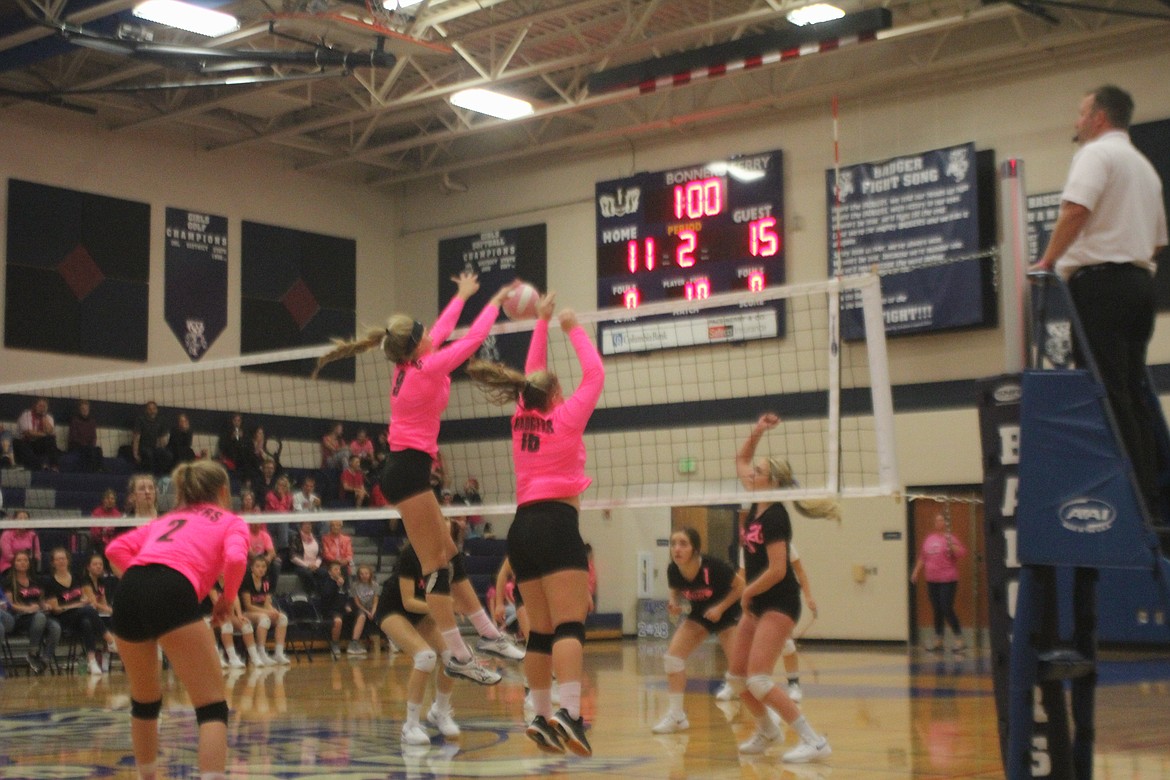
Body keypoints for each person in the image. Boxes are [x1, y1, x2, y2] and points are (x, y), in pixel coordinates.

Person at [311, 270, 514, 687]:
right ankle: (459, 653)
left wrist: (461, 296)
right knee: (437, 565)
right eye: (424, 334)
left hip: (410, 469)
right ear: (416, 343)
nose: (431, 335)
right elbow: (471, 342)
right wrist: (493, 305)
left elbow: (439, 331)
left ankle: (488, 634)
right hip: (406, 472)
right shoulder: (425, 368)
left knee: (447, 555)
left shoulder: (409, 363)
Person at [467, 293, 605, 756]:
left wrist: (541, 323)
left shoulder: (520, 419)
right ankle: (569, 711)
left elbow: (533, 373)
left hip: (521, 529)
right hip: (556, 523)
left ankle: (541, 717)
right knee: (570, 624)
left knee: (540, 632)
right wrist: (571, 325)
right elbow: (596, 374)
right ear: (557, 396)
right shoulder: (566, 418)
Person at [1032, 85, 1168, 513]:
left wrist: (1048, 261)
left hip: (1101, 286)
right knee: (1129, 386)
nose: (1076, 122)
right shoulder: (1144, 166)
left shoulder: (1094, 155)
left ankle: (1124, 494)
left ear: (1099, 118)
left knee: (1103, 387)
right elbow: (1158, 242)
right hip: (1140, 286)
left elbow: (1076, 210)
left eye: (1080, 113)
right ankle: (1146, 491)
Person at [104, 459, 250, 780]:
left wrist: (143, 584)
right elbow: (237, 558)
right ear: (223, 491)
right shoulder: (231, 521)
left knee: (145, 702)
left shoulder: (165, 520)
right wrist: (226, 599)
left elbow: (115, 549)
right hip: (172, 588)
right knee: (211, 707)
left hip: (129, 590)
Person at [725, 413, 836, 763]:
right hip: (758, 602)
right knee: (737, 678)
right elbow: (740, 459)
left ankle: (814, 740)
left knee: (758, 679)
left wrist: (746, 592)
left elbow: (777, 569)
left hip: (779, 601)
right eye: (754, 471)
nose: (750, 473)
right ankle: (768, 730)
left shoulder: (775, 517)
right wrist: (756, 431)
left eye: (758, 472)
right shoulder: (756, 502)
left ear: (770, 482)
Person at [652, 527, 745, 734]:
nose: (677, 548)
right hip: (701, 614)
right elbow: (675, 589)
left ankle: (767, 715)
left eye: (683, 544)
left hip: (728, 614)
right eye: (673, 544)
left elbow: (740, 586)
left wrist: (720, 608)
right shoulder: (673, 569)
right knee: (673, 659)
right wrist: (673, 602)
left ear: (695, 549)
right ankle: (677, 716)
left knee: (741, 672)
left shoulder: (715, 567)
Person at [375, 540, 463, 746]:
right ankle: (410, 726)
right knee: (425, 657)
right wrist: (443, 607)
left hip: (421, 611)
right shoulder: (411, 555)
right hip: (393, 609)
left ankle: (440, 711)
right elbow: (408, 601)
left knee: (453, 655)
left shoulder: (446, 560)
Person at [44, 547, 114, 676]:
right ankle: (110, 640)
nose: (61, 561)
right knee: (87, 610)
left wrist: (82, 602)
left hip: (81, 615)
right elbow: (57, 609)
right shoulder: (50, 582)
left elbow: (86, 598)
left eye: (63, 558)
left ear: (68, 560)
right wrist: (77, 604)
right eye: (58, 559)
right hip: (63, 619)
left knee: (86, 622)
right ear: (53, 562)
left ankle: (92, 661)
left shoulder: (76, 577)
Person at [910, 513, 968, 653]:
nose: (938, 522)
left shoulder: (950, 538)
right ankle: (938, 640)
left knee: (946, 607)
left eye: (941, 520)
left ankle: (959, 638)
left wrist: (952, 546)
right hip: (932, 580)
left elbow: (962, 553)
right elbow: (923, 557)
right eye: (936, 520)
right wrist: (916, 572)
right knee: (937, 609)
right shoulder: (929, 539)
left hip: (948, 579)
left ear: (946, 523)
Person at [6, 550, 62, 674]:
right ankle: (32, 653)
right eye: (19, 560)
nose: (23, 563)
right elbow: (10, 605)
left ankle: (45, 660)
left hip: (38, 615)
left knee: (55, 627)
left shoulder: (36, 580)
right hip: (20, 617)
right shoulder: (9, 582)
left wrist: (44, 605)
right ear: (14, 563)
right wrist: (28, 609)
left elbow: (40, 600)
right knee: (40, 617)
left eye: (25, 560)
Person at [238, 557, 290, 666]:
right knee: (265, 619)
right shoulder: (246, 580)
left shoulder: (266, 581)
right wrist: (267, 612)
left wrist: (273, 611)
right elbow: (248, 606)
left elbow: (266, 603)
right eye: (258, 566)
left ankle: (278, 653)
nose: (261, 569)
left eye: (263, 567)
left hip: (261, 611)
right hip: (247, 613)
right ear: (252, 568)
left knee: (282, 618)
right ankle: (261, 652)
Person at [15, 397, 60, 471]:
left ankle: (54, 467)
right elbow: (29, 433)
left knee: (51, 440)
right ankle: (38, 466)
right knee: (22, 444)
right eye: (40, 406)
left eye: (44, 406)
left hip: (38, 443)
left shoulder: (48, 417)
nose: (42, 408)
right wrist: (45, 434)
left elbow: (49, 431)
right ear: (34, 406)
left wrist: (43, 417)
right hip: (25, 442)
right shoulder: (26, 415)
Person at [132, 401, 172, 477]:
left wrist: (162, 448)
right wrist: (135, 454)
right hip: (143, 447)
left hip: (154, 447)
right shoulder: (140, 420)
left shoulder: (160, 421)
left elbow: (161, 439)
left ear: (156, 410)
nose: (152, 411)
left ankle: (163, 476)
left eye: (154, 409)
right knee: (149, 454)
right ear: (146, 410)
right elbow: (136, 438)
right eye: (149, 409)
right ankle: (151, 476)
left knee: (168, 455)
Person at [289, 521, 328, 595]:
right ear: (301, 526)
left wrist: (316, 565)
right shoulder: (295, 538)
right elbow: (292, 556)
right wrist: (307, 565)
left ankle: (323, 595)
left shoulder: (316, 538)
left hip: (314, 564)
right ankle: (312, 593)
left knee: (324, 573)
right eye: (306, 524)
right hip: (301, 565)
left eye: (309, 524)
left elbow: (320, 554)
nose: (308, 526)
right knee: (307, 573)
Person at [348, 564, 379, 655]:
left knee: (383, 615)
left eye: (366, 573)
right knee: (362, 616)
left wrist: (372, 612)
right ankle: (354, 643)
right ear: (359, 575)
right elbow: (357, 602)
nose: (364, 575)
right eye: (361, 574)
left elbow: (375, 601)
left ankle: (391, 640)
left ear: (370, 574)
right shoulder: (355, 585)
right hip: (360, 607)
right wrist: (366, 612)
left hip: (371, 607)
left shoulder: (375, 585)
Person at [0, 510, 42, 576]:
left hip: (27, 565)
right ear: (14, 520)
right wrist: (20, 562)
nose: (23, 520)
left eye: (25, 518)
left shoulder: (33, 535)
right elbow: (7, 555)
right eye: (20, 518)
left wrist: (27, 562)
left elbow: (37, 553)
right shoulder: (6, 534)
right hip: (9, 566)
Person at [67, 399, 103, 472]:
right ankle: (91, 471)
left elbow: (94, 437)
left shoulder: (92, 422)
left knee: (98, 450)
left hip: (88, 446)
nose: (85, 410)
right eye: (83, 409)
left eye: (86, 409)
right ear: (79, 410)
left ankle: (100, 469)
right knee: (88, 450)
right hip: (77, 445)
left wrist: (91, 444)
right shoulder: (75, 420)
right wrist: (84, 444)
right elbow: (73, 437)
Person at [90, 488, 123, 554]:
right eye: (107, 498)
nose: (110, 501)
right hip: (100, 544)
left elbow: (120, 533)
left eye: (112, 499)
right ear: (103, 500)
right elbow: (95, 533)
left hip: (114, 543)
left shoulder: (118, 514)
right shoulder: (96, 513)